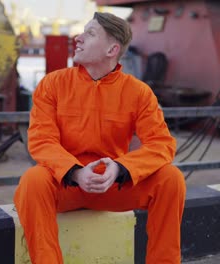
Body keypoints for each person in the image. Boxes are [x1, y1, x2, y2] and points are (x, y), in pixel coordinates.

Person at [14, 12, 186, 264]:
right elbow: (42, 140)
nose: (78, 38)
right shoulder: (53, 84)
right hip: (68, 184)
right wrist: (75, 172)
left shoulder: (138, 93)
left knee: (171, 179)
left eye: (90, 33)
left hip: (112, 185)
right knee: (33, 181)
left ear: (112, 49)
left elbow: (162, 144)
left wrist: (120, 168)